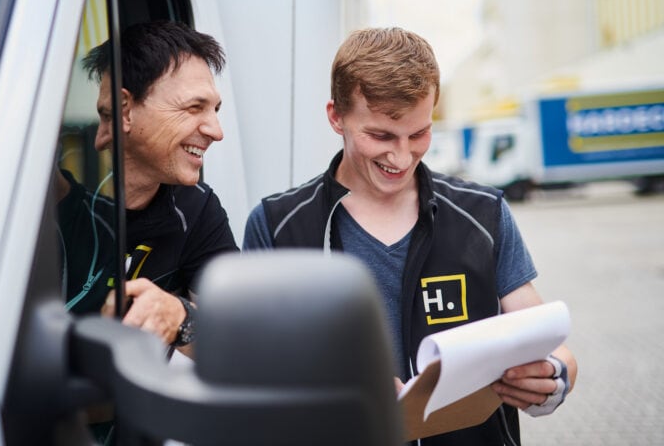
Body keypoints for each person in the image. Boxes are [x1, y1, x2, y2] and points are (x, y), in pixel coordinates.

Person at [243, 27, 577, 445]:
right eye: (381, 135)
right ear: (336, 116)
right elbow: (248, 366)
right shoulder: (277, 226)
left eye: (419, 134)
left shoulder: (482, 214)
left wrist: (552, 378)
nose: (401, 157)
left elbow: (552, 346)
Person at [57, 21, 238, 354]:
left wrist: (181, 319)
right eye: (194, 107)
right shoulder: (52, 191)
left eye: (215, 110)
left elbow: (238, 345)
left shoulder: (197, 209)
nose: (216, 131)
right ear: (124, 110)